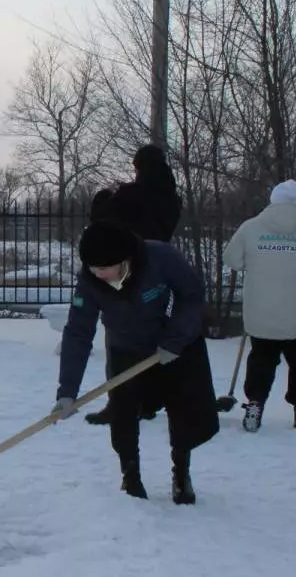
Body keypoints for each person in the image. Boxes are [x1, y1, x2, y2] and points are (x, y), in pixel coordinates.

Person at [52, 220, 219, 504]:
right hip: (125, 347)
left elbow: (191, 296)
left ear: (124, 259)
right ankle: (130, 475)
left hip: (173, 344)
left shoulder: (160, 257)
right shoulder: (90, 280)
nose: (98, 274)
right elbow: (78, 331)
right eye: (92, 268)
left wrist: (175, 339)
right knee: (123, 411)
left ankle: (181, 473)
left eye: (104, 268)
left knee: (184, 411)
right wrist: (67, 391)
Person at [224, 180, 296, 431]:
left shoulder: (251, 228)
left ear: (273, 201)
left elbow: (231, 259)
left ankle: (255, 403)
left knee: (261, 360)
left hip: (261, 314)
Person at [84, 144, 183, 425]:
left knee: (118, 337)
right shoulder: (171, 199)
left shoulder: (130, 195)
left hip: (126, 270)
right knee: (150, 336)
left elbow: (101, 221)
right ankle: (147, 401)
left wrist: (103, 199)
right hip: (158, 272)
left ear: (138, 166)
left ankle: (119, 402)